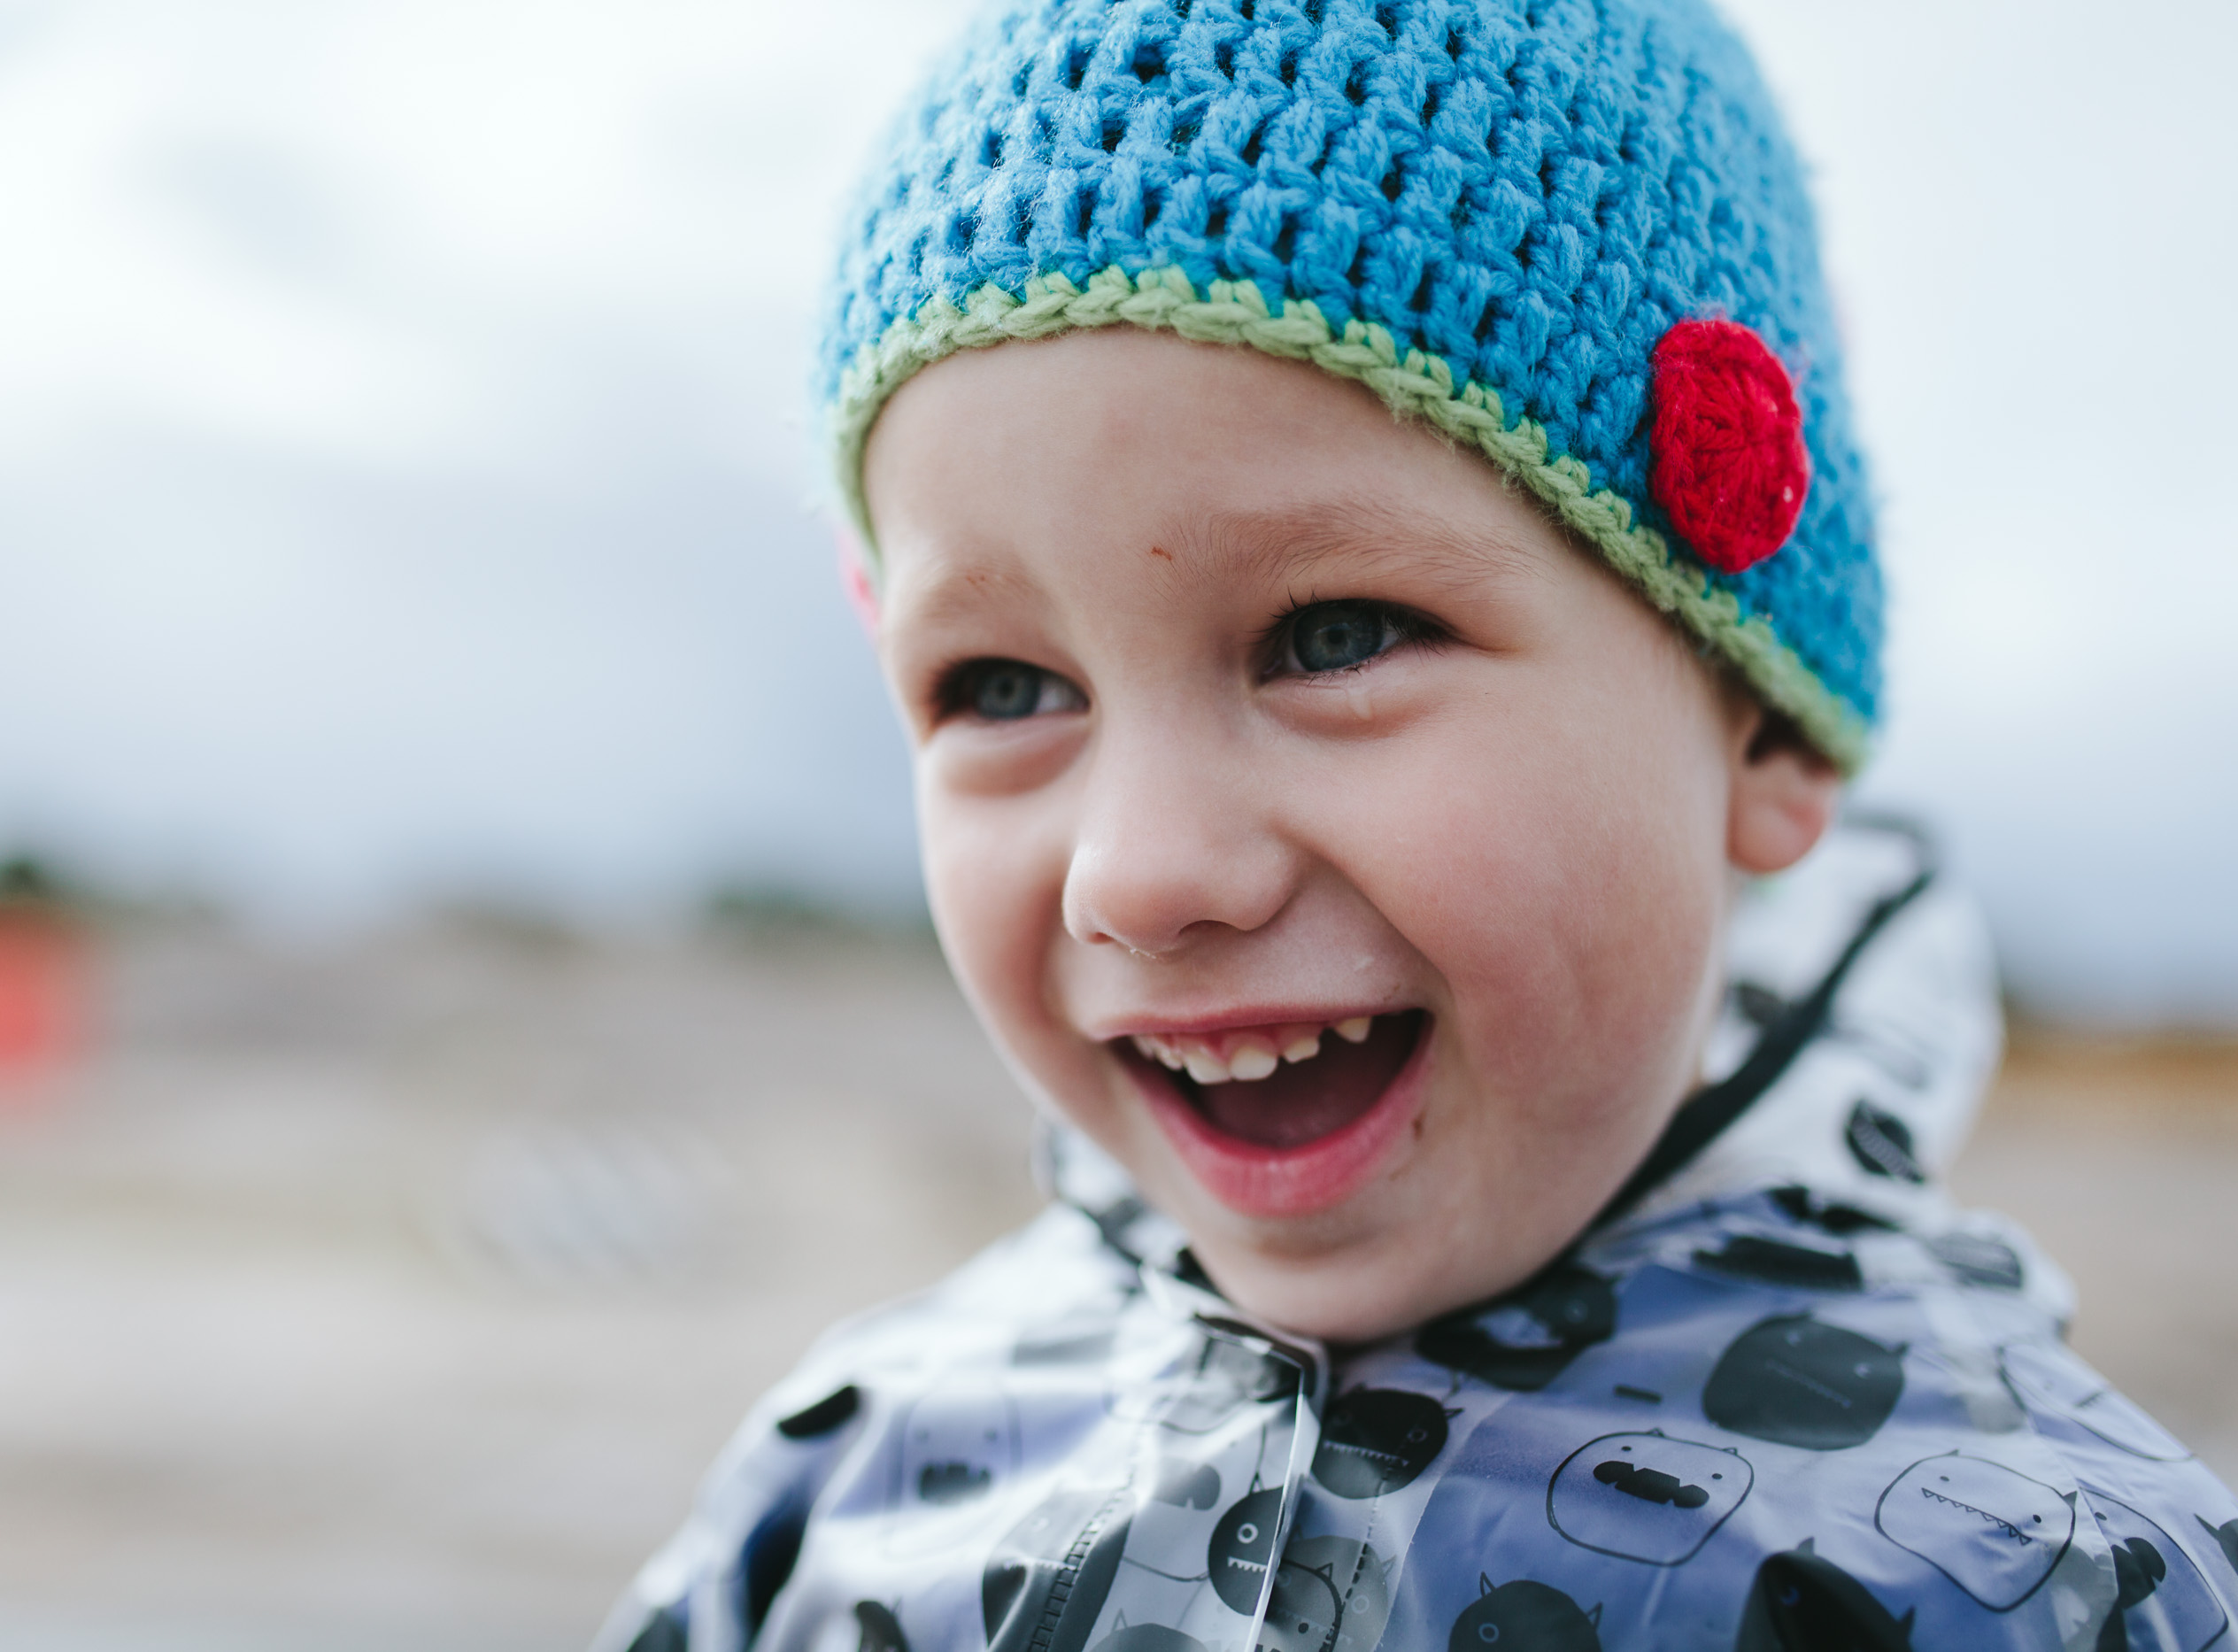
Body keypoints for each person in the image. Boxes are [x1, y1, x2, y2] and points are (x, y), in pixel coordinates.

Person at [598, 2, 2238, 1647]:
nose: (1141, 873)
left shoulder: (2032, 1580)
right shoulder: (851, 1485)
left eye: (1334, 637)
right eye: (1008, 687)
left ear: (1764, 727)